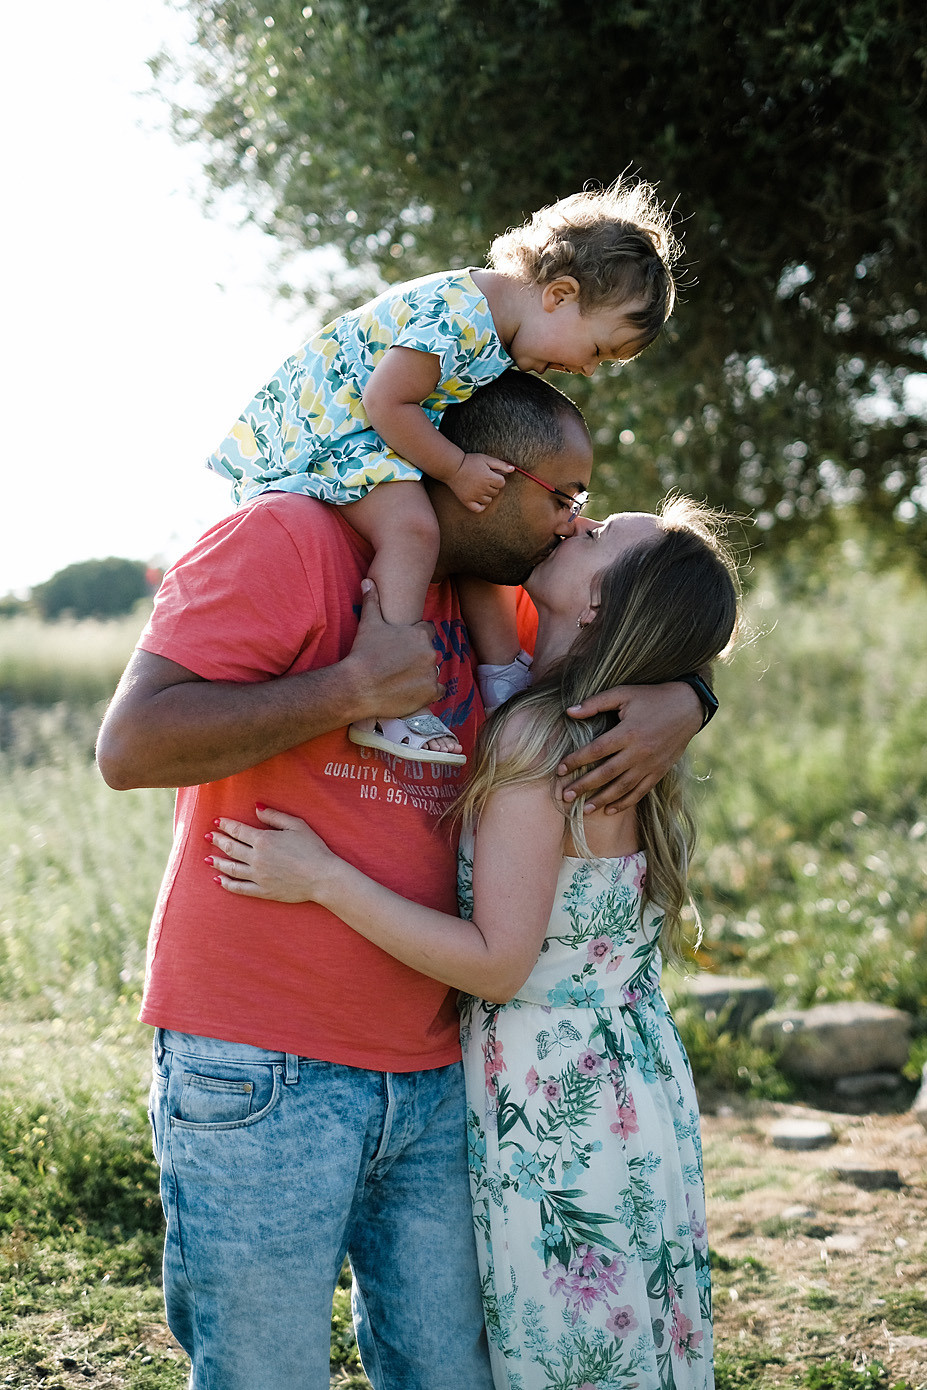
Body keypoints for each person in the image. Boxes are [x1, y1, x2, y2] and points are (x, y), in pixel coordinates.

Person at [96, 370, 708, 1390]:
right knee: (264, 1373)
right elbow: (129, 747)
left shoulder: (508, 586)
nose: (576, 522)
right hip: (262, 1061)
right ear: (485, 478)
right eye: (563, 498)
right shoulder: (291, 539)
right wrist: (348, 689)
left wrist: (688, 696)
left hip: (443, 1073)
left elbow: (650, 618)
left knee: (452, 1372)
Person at [206, 496, 741, 1390]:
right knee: (627, 1341)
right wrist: (693, 691)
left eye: (599, 533)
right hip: (627, 1084)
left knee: (570, 1353)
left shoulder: (539, 740)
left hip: (555, 1104)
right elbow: (493, 591)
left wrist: (326, 878)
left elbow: (499, 962)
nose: (575, 521)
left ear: (604, 603)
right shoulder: (581, 713)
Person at [207, 180, 680, 762]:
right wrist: (455, 467)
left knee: (478, 538)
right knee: (413, 529)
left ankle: (502, 675)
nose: (588, 369)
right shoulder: (460, 316)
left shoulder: (493, 335)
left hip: (367, 425)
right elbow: (385, 402)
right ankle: (390, 701)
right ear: (559, 294)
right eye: (600, 350)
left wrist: (688, 697)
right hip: (331, 425)